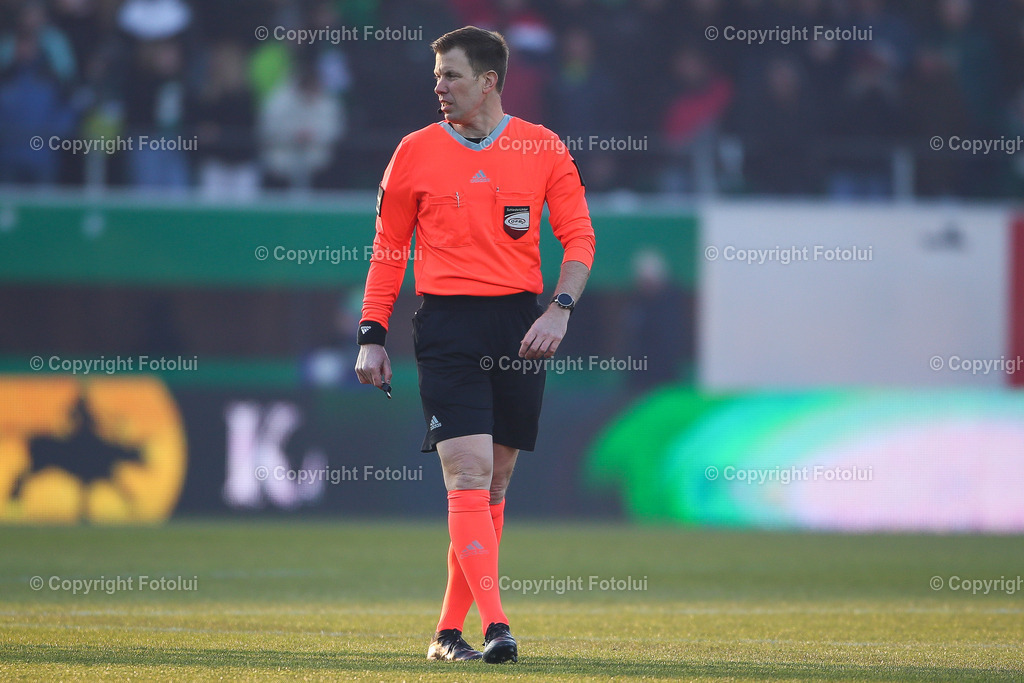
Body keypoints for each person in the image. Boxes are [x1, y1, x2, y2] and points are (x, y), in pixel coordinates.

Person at [354, 26, 595, 664]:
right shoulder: (413, 152)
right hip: (447, 327)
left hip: (519, 324)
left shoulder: (542, 146)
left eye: (451, 75)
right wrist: (372, 333)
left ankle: (445, 634)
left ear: (488, 82)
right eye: (436, 76)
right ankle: (497, 626)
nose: (439, 86)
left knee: (496, 482)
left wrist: (560, 309)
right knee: (468, 472)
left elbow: (579, 238)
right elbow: (389, 249)